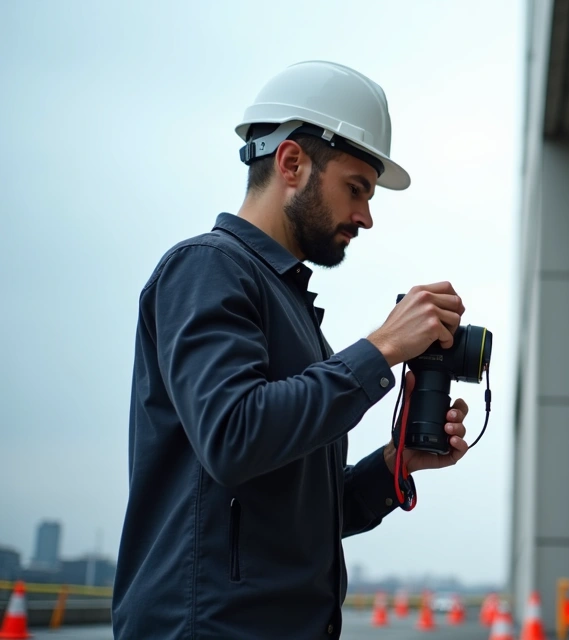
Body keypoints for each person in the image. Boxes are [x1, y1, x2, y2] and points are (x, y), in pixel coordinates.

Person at [111, 60, 471, 638]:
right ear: (292, 163)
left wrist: (394, 464)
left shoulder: (296, 314)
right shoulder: (206, 268)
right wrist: (380, 350)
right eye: (356, 189)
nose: (367, 216)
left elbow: (302, 519)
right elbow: (233, 436)